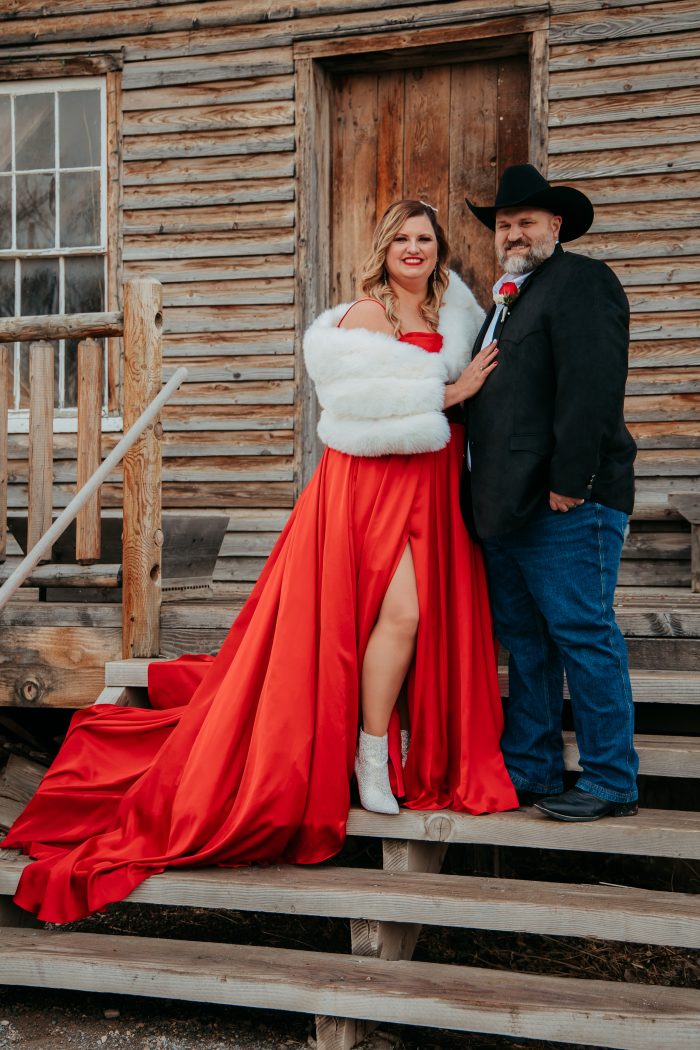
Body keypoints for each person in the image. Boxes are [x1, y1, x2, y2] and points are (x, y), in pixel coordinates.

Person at [3, 200, 517, 924]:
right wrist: (449, 391)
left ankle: (385, 746)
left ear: (439, 251)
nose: (413, 248)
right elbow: (350, 404)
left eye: (424, 239)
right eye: (401, 238)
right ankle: (372, 756)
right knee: (398, 614)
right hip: (369, 486)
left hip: (433, 487)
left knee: (415, 620)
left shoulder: (455, 316)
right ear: (383, 248)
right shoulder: (365, 317)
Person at [462, 164, 639, 822]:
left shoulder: (581, 283)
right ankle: (533, 770)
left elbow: (593, 388)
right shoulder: (508, 298)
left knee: (582, 633)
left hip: (567, 504)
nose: (513, 232)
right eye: (504, 224)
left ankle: (611, 779)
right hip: (506, 507)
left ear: (555, 226)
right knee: (528, 643)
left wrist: (573, 481)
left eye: (526, 222)